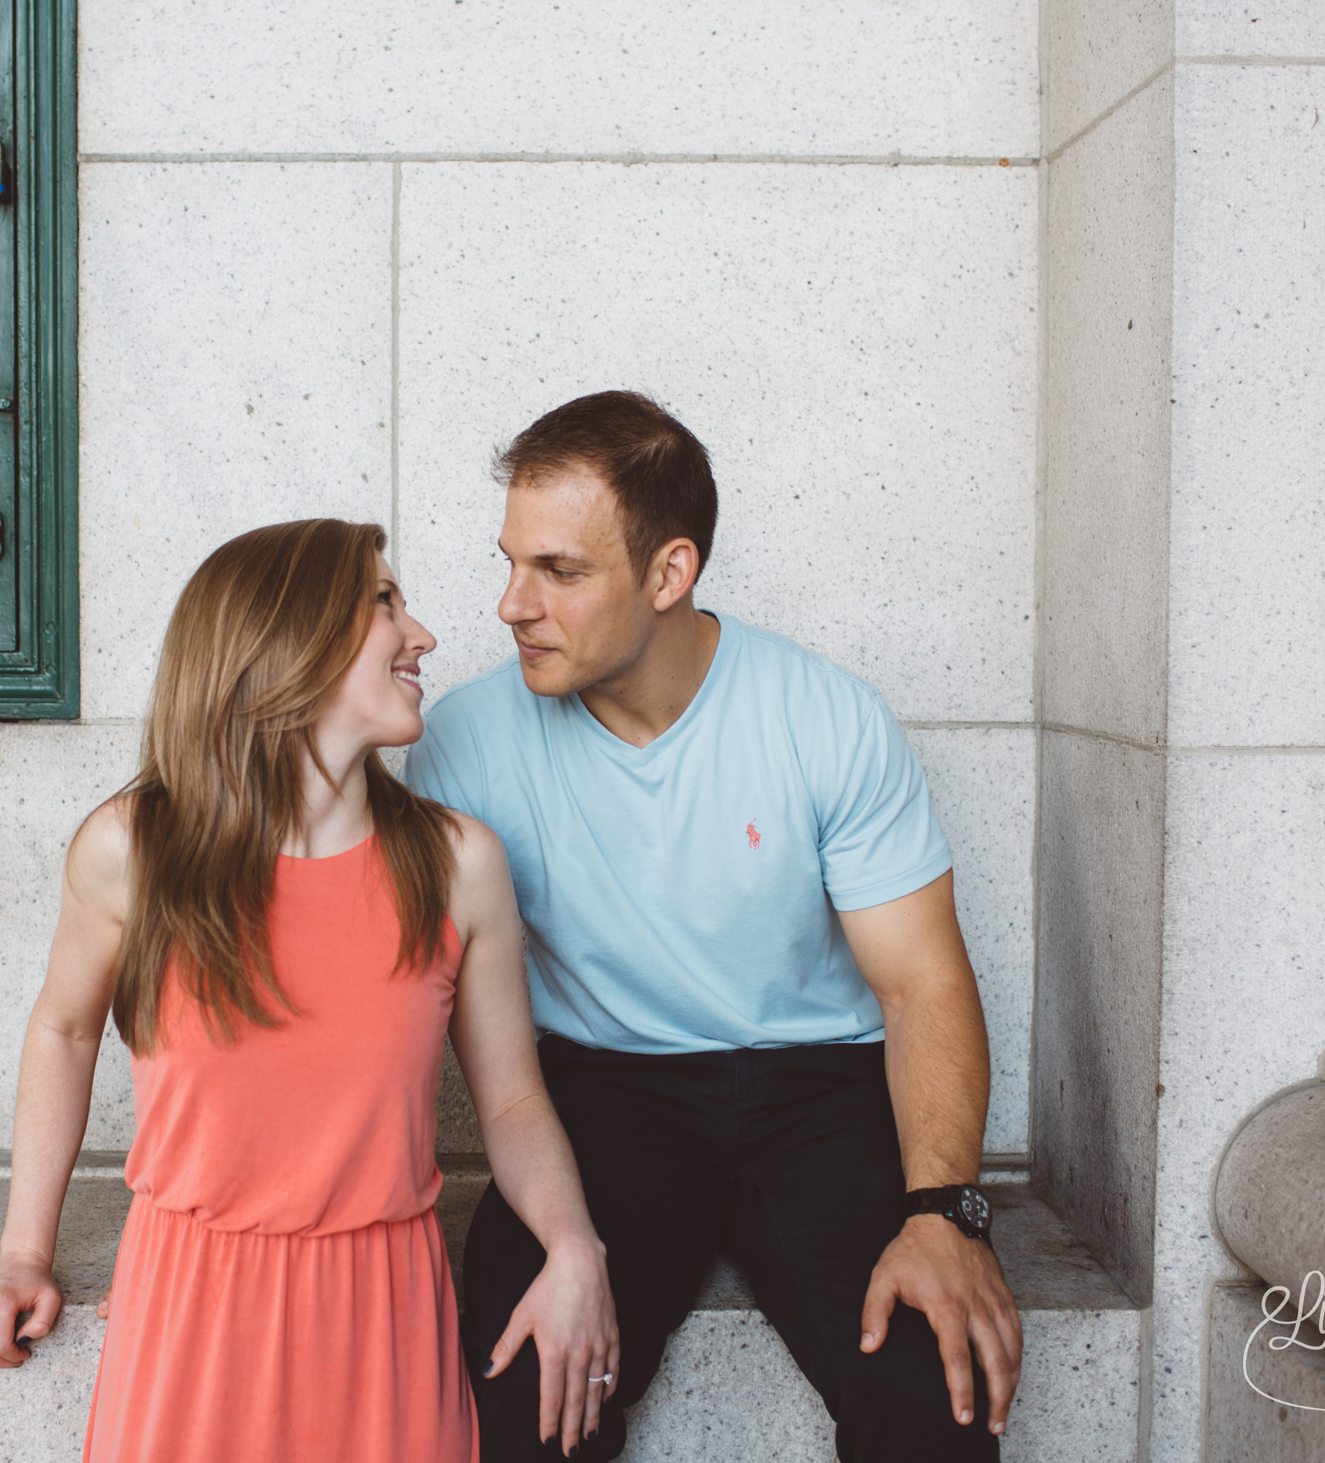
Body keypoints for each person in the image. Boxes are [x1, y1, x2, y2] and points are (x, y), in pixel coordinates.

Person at [403, 392, 1024, 1462]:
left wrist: (943, 1211)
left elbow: (921, 981)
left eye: (560, 570)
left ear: (668, 572)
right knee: (519, 1404)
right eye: (509, 562)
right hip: (604, 1093)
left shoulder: (824, 716)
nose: (511, 604)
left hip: (820, 1086)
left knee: (935, 1398)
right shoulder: (464, 741)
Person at [0, 519, 620, 1462]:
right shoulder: (131, 851)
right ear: (287, 636)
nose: (422, 634)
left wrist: (575, 1246)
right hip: (190, 1313)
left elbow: (511, 1097)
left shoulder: (460, 864)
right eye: (385, 601)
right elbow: (62, 1030)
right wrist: (23, 1251)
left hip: (383, 1318)